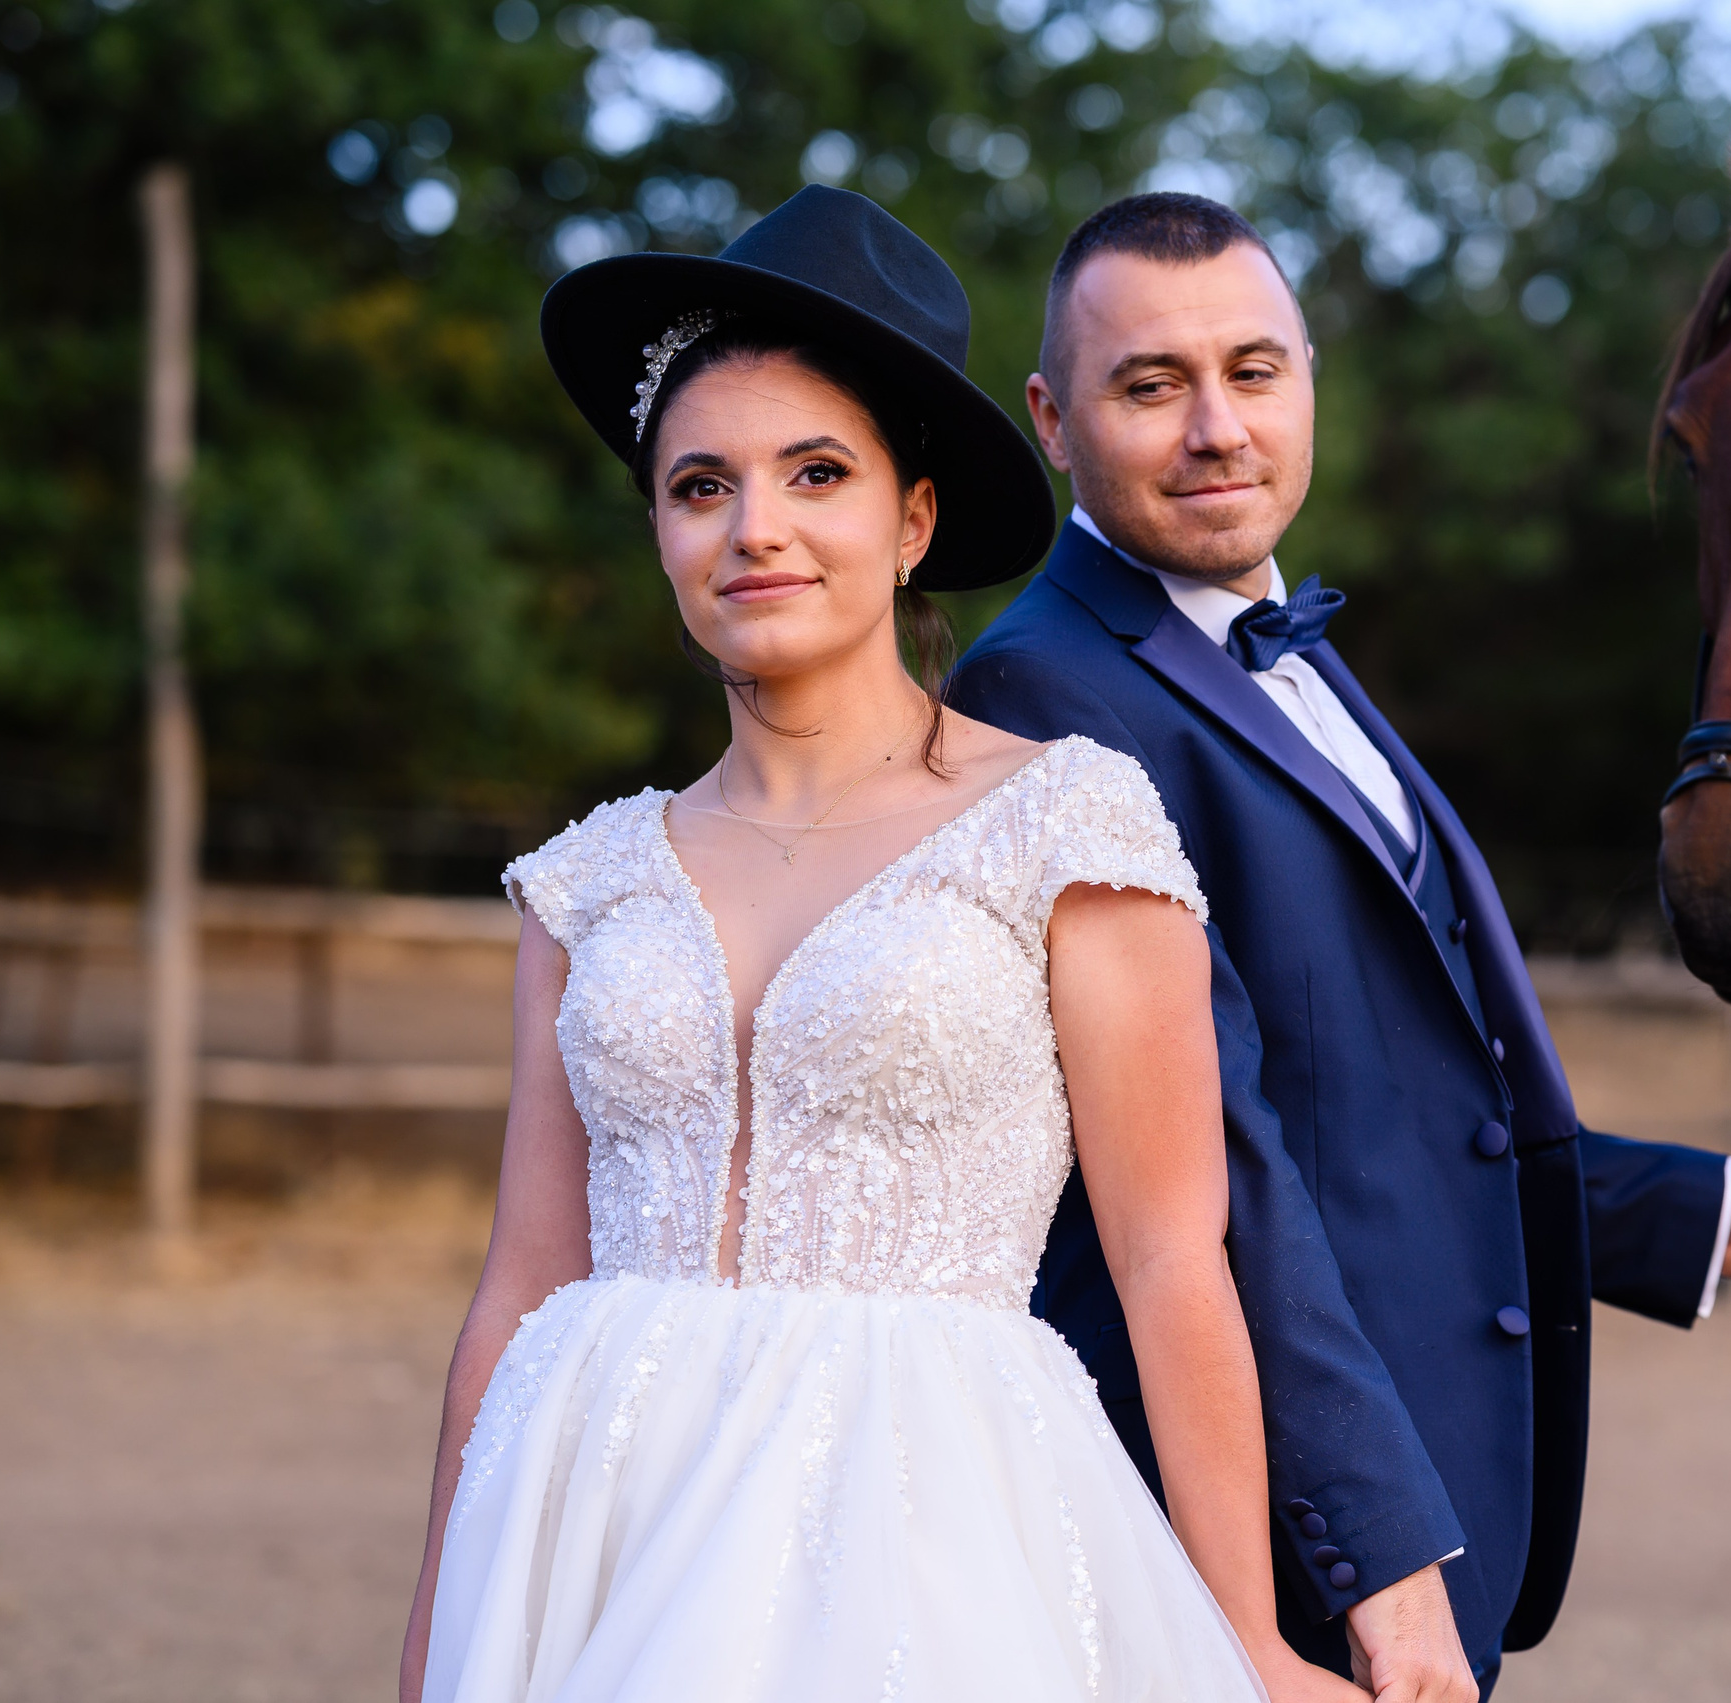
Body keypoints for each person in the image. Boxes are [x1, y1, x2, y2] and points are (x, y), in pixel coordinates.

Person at [401, 187, 1358, 1703]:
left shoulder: (1067, 826)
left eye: (816, 474)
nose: (754, 527)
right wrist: (446, 1628)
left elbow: (1174, 1257)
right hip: (586, 1516)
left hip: (923, 1521)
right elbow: (522, 1279)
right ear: (658, 526)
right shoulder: (586, 883)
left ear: (911, 521)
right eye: (700, 485)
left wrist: (1242, 1634)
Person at [949, 194, 1731, 1701]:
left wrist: (1703, 1216)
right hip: (1271, 1523)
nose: (1217, 427)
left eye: (1254, 372)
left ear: (1310, 380)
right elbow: (1229, 1172)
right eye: (1151, 386)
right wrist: (1379, 1562)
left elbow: (1387, 1113)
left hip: (1423, 1485)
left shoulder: (1285, 647)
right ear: (1055, 421)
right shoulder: (1048, 690)